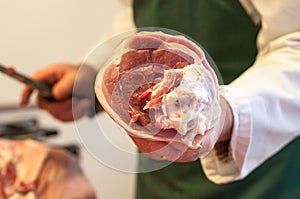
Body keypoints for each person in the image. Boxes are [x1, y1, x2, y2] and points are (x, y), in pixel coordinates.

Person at [20, 0, 300, 198]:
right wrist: (95, 74)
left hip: (258, 172)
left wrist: (221, 115)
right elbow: (138, 18)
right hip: (160, 174)